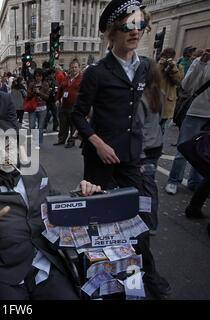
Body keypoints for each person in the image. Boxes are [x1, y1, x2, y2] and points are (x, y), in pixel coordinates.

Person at [71, 0, 171, 299]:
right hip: (100, 161)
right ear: (112, 32)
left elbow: (142, 112)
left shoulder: (145, 67)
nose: (135, 31)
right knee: (99, 222)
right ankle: (100, 278)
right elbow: (77, 115)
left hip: (130, 160)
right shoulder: (97, 73)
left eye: (140, 24)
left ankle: (147, 274)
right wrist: (98, 143)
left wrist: (143, 150)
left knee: (136, 219)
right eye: (128, 25)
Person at [0, 120, 101, 300]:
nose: (4, 155)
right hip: (6, 275)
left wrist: (80, 194)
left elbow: (55, 200)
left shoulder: (35, 171)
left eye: (9, 146)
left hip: (45, 267)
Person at [165, 49, 210, 195]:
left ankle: (195, 182)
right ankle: (173, 180)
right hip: (196, 111)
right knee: (183, 148)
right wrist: (202, 63)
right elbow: (187, 85)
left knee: (204, 152)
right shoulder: (199, 62)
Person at [138, 59, 163, 234]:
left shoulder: (140, 98)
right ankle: (149, 221)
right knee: (149, 186)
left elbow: (137, 129)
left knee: (145, 188)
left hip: (144, 148)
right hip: (156, 144)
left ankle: (148, 223)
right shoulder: (157, 92)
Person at [55, 59, 82, 148]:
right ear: (69, 68)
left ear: (79, 68)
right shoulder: (66, 78)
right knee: (63, 123)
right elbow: (60, 89)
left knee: (73, 125)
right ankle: (61, 139)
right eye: (72, 67)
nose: (74, 69)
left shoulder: (82, 79)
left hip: (75, 106)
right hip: (64, 105)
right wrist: (58, 99)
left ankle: (71, 141)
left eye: (76, 67)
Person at [157, 48, 184, 133]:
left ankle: (158, 143)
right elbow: (154, 77)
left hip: (167, 101)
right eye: (165, 56)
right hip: (156, 98)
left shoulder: (178, 67)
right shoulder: (157, 65)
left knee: (161, 127)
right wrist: (161, 65)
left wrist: (173, 68)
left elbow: (178, 81)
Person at [27, 68, 50, 149]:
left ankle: (38, 143)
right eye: (36, 76)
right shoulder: (31, 84)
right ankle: (34, 140)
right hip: (33, 108)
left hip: (42, 108)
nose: (38, 78)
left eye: (39, 76)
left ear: (42, 76)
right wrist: (33, 92)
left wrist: (39, 93)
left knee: (40, 127)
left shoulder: (45, 84)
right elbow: (28, 96)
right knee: (32, 126)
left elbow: (47, 97)